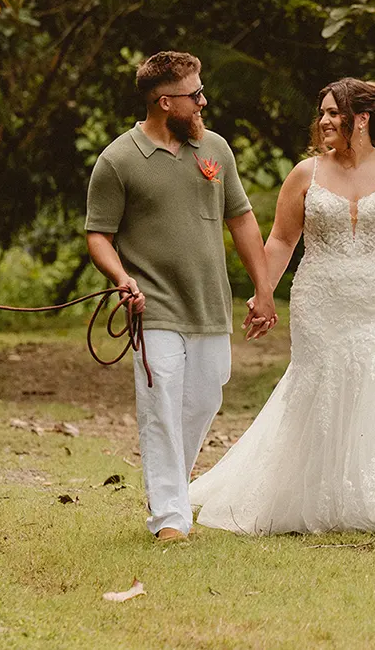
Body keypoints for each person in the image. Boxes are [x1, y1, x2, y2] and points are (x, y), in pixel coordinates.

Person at [189, 78, 375, 540]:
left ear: (361, 119)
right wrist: (263, 293)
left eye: (333, 113)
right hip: (321, 299)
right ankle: (316, 496)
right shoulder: (305, 174)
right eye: (322, 113)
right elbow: (283, 240)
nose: (323, 121)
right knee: (321, 387)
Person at [85, 51, 276, 542]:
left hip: (210, 303)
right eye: (195, 95)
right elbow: (98, 235)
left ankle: (166, 485)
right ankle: (170, 515)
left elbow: (242, 220)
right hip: (153, 305)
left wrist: (263, 289)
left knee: (205, 398)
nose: (203, 101)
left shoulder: (215, 148)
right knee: (161, 404)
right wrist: (121, 278)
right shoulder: (118, 159)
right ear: (165, 102)